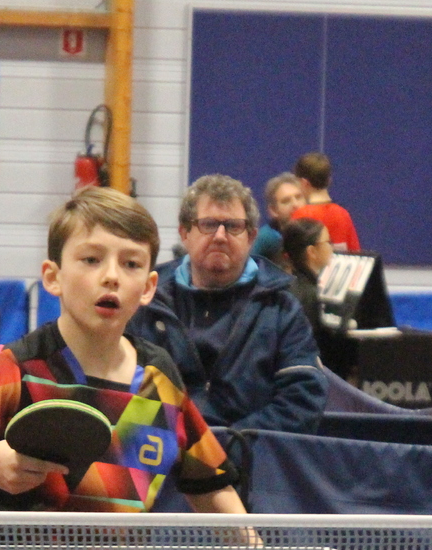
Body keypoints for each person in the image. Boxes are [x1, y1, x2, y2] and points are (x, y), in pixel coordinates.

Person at [0, 187, 248, 519]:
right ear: (53, 277)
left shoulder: (159, 375)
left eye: (131, 264)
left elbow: (211, 486)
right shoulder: (15, 368)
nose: (111, 276)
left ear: (148, 287)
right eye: (91, 259)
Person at [128, 174, 327, 435]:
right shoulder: (146, 300)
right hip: (161, 452)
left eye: (233, 226)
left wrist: (229, 445)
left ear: (251, 236)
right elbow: (117, 389)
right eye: (208, 224)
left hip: (250, 452)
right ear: (184, 233)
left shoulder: (282, 308)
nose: (220, 236)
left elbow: (303, 400)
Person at [290, 152, 360, 252]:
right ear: (329, 180)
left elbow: (291, 255)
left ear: (304, 182)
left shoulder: (301, 216)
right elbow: (355, 253)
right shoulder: (343, 214)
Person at [280, 216, 333, 340]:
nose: (332, 247)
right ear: (312, 251)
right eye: (328, 242)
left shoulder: (284, 284)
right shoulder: (311, 296)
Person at [251, 172, 304, 267]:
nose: (295, 205)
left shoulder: (317, 230)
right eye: (286, 201)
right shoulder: (267, 237)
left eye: (298, 197)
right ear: (273, 210)